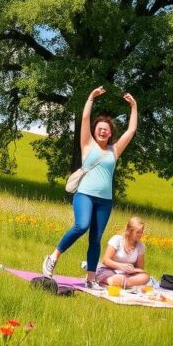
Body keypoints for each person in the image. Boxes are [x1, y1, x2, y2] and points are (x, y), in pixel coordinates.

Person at [42, 86, 139, 289]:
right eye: (100, 128)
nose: (103, 131)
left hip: (105, 201)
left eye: (107, 129)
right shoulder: (87, 145)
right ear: (95, 131)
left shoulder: (114, 151)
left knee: (95, 238)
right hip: (84, 195)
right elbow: (85, 118)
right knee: (81, 226)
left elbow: (130, 131)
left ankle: (91, 278)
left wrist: (134, 107)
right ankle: (53, 257)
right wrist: (90, 98)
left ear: (111, 133)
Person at [95, 216, 150, 288]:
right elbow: (105, 260)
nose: (140, 235)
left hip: (127, 274)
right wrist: (121, 266)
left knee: (145, 277)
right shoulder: (117, 239)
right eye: (138, 232)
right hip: (110, 270)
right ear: (130, 231)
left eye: (141, 232)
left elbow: (140, 269)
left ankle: (120, 282)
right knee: (109, 275)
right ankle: (118, 282)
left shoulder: (140, 246)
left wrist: (132, 270)